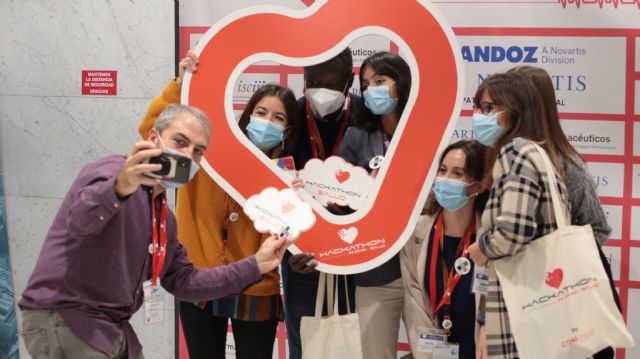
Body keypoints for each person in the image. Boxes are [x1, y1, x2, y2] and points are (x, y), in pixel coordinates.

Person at [19, 104, 290, 359]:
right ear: (154, 137)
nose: (188, 156)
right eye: (180, 142)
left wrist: (255, 264)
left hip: (109, 327)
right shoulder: (113, 170)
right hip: (67, 318)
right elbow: (79, 221)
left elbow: (186, 282)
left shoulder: (163, 217)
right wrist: (118, 187)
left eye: (198, 151)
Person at [137, 51, 299, 359]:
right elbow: (151, 131)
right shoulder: (205, 150)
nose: (267, 122)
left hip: (256, 284)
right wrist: (179, 84)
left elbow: (283, 235)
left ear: (287, 130)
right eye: (261, 112)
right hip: (198, 278)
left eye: (278, 118)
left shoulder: (285, 175)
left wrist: (290, 200)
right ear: (248, 113)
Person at [506, 65, 617, 359]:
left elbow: (597, 228)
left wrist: (547, 251)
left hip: (559, 300)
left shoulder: (568, 166)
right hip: (510, 296)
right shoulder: (500, 159)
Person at [466, 72, 571, 358]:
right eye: (478, 108)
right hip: (536, 301)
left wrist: (483, 248)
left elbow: (514, 230)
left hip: (520, 306)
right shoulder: (537, 152)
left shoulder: (517, 152)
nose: (479, 115)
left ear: (515, 110)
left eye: (488, 108)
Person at [282, 47, 359, 359]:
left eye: (330, 83)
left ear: (349, 80)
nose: (321, 92)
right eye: (314, 81)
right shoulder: (290, 117)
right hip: (303, 258)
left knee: (354, 344)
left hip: (358, 253)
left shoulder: (368, 118)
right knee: (306, 344)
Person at [335, 51, 411, 358]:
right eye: (366, 84)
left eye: (379, 81)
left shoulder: (429, 130)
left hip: (424, 268)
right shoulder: (356, 136)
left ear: (401, 83)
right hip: (376, 270)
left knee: (436, 350)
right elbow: (336, 199)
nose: (371, 90)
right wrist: (364, 188)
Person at [401, 140, 488, 359]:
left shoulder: (490, 239)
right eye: (442, 170)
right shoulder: (417, 233)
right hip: (434, 352)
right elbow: (415, 304)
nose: (446, 179)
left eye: (458, 173)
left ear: (478, 186)